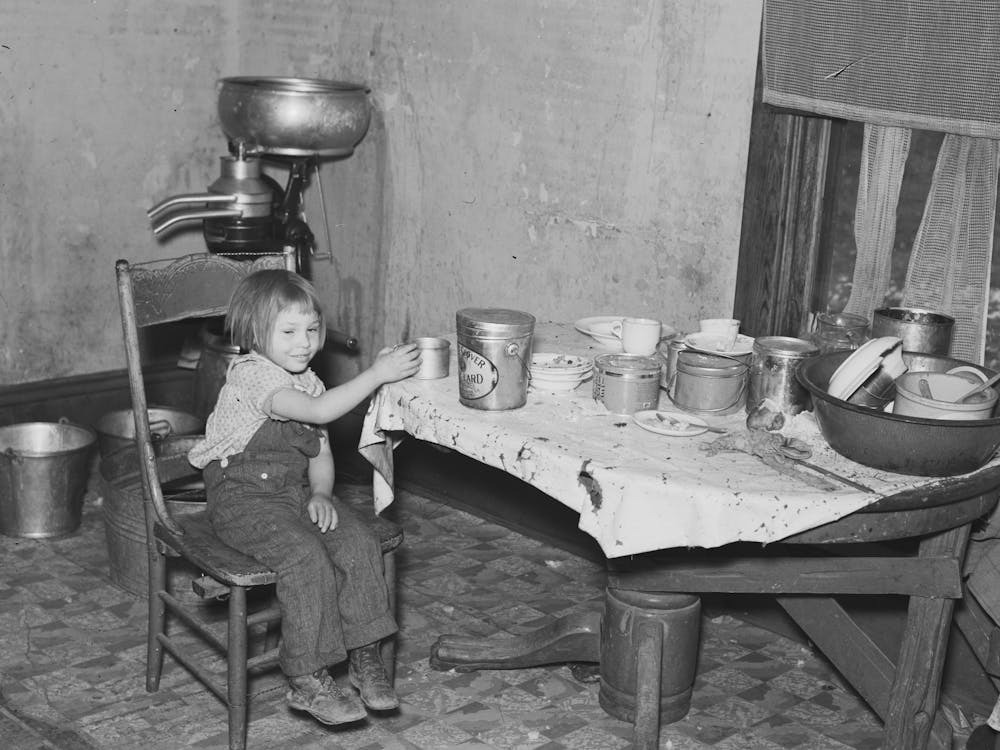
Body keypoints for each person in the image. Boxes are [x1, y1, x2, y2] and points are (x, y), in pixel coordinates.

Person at [188, 269, 420, 726]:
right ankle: (307, 677)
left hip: (291, 493)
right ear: (256, 334)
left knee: (357, 542)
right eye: (289, 332)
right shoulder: (253, 376)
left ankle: (364, 652)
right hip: (241, 500)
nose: (304, 343)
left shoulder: (310, 382)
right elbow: (317, 412)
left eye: (312, 329)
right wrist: (376, 374)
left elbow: (321, 452)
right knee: (305, 557)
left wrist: (321, 493)